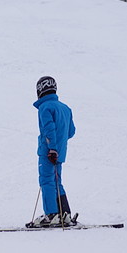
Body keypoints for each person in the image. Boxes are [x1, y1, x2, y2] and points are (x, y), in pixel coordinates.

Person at [28, 76, 76, 227]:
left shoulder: (45, 107)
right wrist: (59, 145)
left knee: (46, 180)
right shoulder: (65, 108)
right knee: (57, 181)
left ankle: (51, 214)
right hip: (60, 152)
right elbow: (71, 131)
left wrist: (52, 148)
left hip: (49, 151)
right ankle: (64, 213)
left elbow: (49, 129)